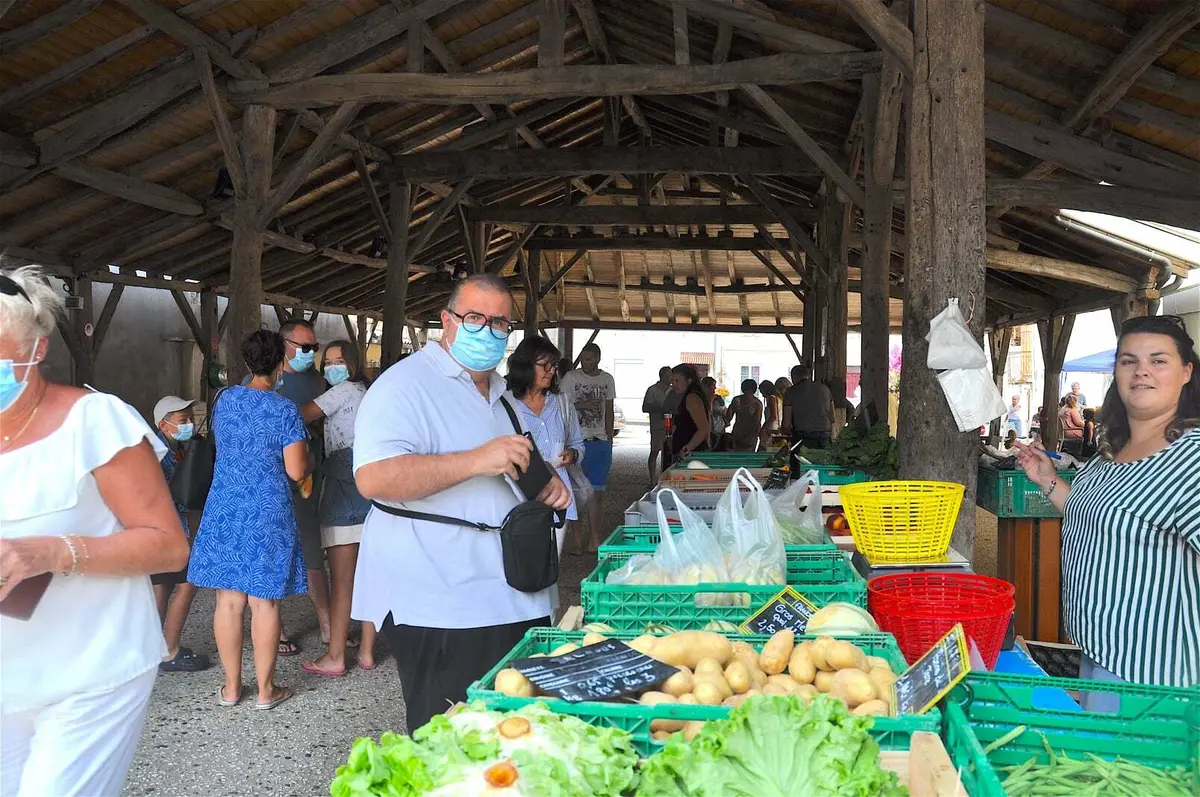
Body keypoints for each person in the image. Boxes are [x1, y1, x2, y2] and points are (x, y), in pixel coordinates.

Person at [352, 275, 572, 733]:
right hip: (441, 600)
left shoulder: (499, 394)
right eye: (475, 317)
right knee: (451, 735)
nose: (487, 330)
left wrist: (546, 484)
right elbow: (374, 477)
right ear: (447, 322)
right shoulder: (405, 385)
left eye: (499, 323)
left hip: (510, 594)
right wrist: (475, 460)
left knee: (510, 733)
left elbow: (510, 464)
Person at [1, 267, 190, 796]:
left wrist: (50, 552)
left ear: (35, 351)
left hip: (90, 669)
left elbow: (168, 544)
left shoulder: (96, 421)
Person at [1014, 314, 1199, 701]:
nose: (1141, 372)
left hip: (1154, 679)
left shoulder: (1191, 460)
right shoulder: (1112, 449)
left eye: (1158, 360)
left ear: (1186, 372)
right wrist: (1048, 479)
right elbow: (1096, 516)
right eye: (1128, 360)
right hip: (1099, 653)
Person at [189, 330, 311, 710]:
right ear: (280, 364)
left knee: (228, 601)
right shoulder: (285, 409)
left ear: (245, 363)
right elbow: (295, 471)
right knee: (265, 603)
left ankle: (230, 688)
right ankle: (265, 691)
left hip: (225, 505)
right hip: (266, 509)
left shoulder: (225, 400)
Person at [300, 341, 377, 677]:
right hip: (369, 488)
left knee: (343, 581)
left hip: (342, 490)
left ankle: (334, 657)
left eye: (338, 360)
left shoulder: (341, 391)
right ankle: (367, 652)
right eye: (327, 362)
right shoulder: (366, 391)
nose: (332, 367)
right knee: (370, 577)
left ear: (352, 363)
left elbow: (302, 415)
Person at [270, 316, 331, 657]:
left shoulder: (320, 384)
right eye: (305, 347)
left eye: (314, 347)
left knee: (312, 553)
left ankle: (326, 625)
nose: (310, 353)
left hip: (309, 482)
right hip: (276, 484)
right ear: (284, 346)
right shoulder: (260, 384)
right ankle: (275, 631)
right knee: (275, 557)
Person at [506, 336, 585, 554]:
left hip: (558, 498)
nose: (551, 371)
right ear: (525, 366)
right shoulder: (504, 403)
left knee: (550, 564)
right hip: (517, 498)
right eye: (545, 365)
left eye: (554, 365)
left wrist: (574, 454)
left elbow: (578, 443)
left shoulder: (561, 402)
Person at [150, 396, 210, 673]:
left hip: (159, 533)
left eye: (190, 418)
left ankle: (154, 648)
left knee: (162, 589)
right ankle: (170, 650)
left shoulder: (171, 448)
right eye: (183, 420)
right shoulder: (159, 454)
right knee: (189, 583)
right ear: (164, 425)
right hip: (168, 531)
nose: (190, 424)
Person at [559, 342, 615, 553]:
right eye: (583, 359)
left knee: (596, 494)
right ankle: (576, 540)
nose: (585, 363)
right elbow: (561, 405)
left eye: (589, 359)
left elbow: (609, 410)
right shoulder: (571, 378)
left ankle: (595, 537)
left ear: (598, 359)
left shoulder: (607, 379)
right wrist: (582, 405)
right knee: (577, 492)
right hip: (576, 441)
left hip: (599, 441)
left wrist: (609, 440)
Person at [782, 362, 834, 449]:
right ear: (809, 376)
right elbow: (832, 418)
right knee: (824, 460)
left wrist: (785, 432)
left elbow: (786, 424)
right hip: (825, 435)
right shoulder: (825, 389)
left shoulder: (790, 392)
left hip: (803, 437)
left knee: (801, 462)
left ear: (794, 377)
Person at [668, 364, 711, 464]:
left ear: (689, 380)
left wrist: (685, 450)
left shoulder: (692, 398)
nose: (674, 384)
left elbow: (704, 429)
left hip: (691, 455)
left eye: (677, 381)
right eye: (672, 381)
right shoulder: (687, 396)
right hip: (688, 452)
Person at [642, 366, 673, 482]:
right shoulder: (652, 390)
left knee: (669, 451)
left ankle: (666, 477)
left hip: (670, 424)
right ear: (663, 376)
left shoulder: (673, 390)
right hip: (657, 425)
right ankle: (652, 479)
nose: (671, 378)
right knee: (654, 451)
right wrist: (660, 408)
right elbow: (645, 407)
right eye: (669, 375)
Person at [728, 378, 763, 451]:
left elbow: (728, 417)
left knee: (737, 457)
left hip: (744, 433)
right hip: (745, 434)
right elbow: (757, 423)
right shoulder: (757, 403)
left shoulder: (737, 400)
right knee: (748, 458)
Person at [701, 376, 727, 450]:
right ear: (706, 387)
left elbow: (724, 411)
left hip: (719, 429)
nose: (715, 388)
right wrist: (710, 401)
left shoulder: (718, 398)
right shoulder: (699, 399)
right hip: (706, 430)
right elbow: (708, 412)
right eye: (713, 386)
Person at [759, 380, 781, 451]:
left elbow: (773, 416)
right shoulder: (779, 398)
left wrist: (763, 428)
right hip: (777, 429)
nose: (762, 395)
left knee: (763, 450)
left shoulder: (771, 398)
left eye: (762, 392)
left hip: (770, 428)